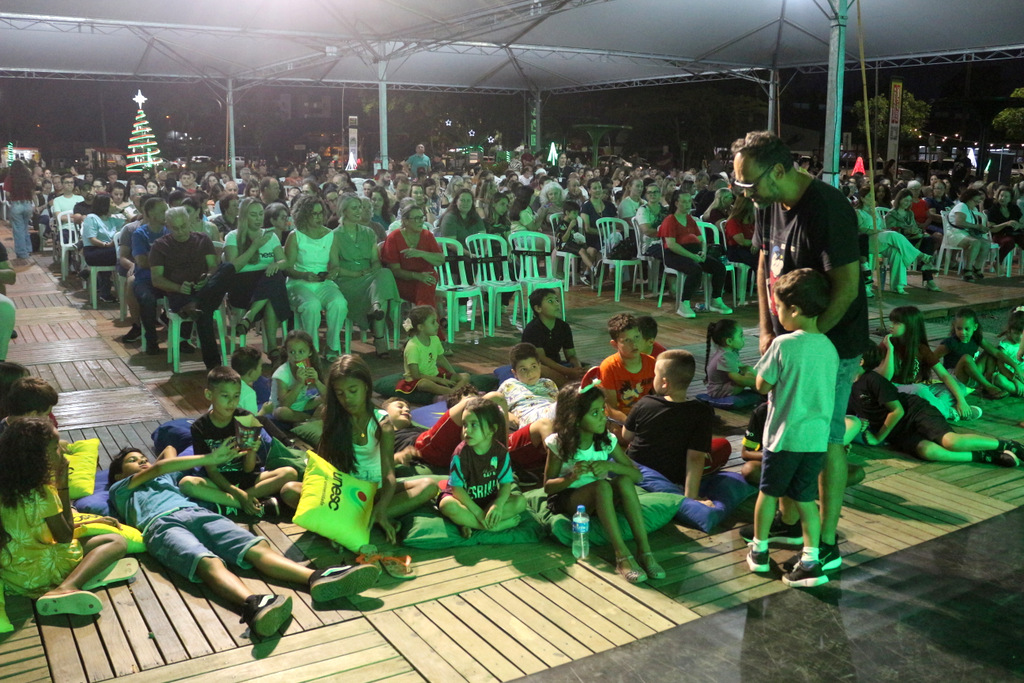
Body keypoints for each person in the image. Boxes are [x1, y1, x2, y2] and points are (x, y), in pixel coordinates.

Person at [733, 130, 867, 573]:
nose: (744, 192)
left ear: (778, 170)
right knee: (787, 430)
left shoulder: (827, 207)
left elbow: (847, 287)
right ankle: (791, 523)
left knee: (824, 438)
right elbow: (764, 265)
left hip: (830, 344)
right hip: (789, 341)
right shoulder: (768, 203)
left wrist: (808, 344)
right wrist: (766, 330)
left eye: (749, 182)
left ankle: (825, 541)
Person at [108, 443, 379, 637]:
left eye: (143, 457)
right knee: (206, 561)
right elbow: (161, 464)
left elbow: (168, 450)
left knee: (254, 546)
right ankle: (253, 604)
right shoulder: (120, 488)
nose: (142, 462)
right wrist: (207, 457)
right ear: (119, 474)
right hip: (160, 525)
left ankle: (315, 577)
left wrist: (149, 461)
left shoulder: (164, 477)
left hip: (196, 512)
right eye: (132, 460)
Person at [747, 268, 838, 588]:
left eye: (779, 308)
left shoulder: (783, 344)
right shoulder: (829, 347)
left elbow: (761, 385)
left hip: (784, 437)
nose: (777, 314)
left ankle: (759, 550)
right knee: (805, 498)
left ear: (795, 310)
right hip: (815, 440)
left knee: (769, 493)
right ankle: (811, 559)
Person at [287, 355, 438, 544]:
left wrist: (381, 508)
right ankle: (361, 520)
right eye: (340, 393)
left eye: (353, 390)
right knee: (289, 490)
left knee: (429, 486)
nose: (347, 398)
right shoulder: (332, 417)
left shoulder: (382, 423)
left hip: (375, 491)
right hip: (343, 492)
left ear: (366, 386)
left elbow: (388, 475)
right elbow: (326, 465)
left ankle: (353, 520)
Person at [0, 418, 134, 616]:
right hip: (39, 573)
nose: (62, 452)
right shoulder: (43, 492)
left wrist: (92, 521)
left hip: (12, 573)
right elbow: (64, 536)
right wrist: (63, 486)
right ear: (37, 457)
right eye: (56, 447)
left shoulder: (6, 486)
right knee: (116, 541)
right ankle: (67, 587)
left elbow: (34, 528)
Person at [544, 381, 665, 584]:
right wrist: (570, 477)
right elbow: (548, 487)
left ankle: (645, 551)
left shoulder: (606, 440)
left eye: (602, 410)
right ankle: (622, 555)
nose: (603, 416)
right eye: (595, 413)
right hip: (570, 499)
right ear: (575, 419)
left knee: (624, 481)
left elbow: (637, 476)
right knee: (602, 486)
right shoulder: (558, 443)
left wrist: (609, 465)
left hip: (601, 497)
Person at [622, 349, 751, 530]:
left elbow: (626, 436)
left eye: (655, 375)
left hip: (639, 468)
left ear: (664, 383)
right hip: (672, 476)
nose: (653, 379)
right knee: (721, 446)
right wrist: (691, 497)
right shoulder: (701, 412)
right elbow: (695, 458)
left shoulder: (645, 402)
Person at [847, 345, 1022, 469]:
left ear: (861, 362)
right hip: (898, 431)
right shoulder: (846, 385)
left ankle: (1010, 445)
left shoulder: (872, 380)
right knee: (927, 451)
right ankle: (985, 456)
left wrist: (878, 437)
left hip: (914, 412)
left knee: (951, 441)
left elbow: (897, 410)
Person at [182, 367, 299, 516]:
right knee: (187, 484)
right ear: (209, 394)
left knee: (289, 473)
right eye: (225, 396)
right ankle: (248, 504)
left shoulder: (246, 419)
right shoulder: (200, 427)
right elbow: (212, 471)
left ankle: (230, 503)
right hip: (219, 482)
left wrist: (252, 451)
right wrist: (238, 493)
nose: (232, 402)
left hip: (248, 478)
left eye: (236, 396)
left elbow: (249, 469)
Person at [150, 206, 236, 370]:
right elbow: (156, 280)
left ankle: (196, 303)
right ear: (168, 226)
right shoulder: (160, 246)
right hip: (180, 295)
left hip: (204, 288)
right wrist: (178, 287)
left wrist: (207, 278)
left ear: (189, 222)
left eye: (183, 226)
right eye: (176, 228)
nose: (181, 231)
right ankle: (213, 365)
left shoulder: (202, 239)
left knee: (228, 268)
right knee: (205, 313)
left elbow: (213, 266)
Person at [438, 398, 527, 538]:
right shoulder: (460, 454)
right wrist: (479, 514)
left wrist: (498, 504)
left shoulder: (500, 452)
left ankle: (467, 522)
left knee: (520, 502)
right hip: (463, 501)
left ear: (492, 429)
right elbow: (457, 489)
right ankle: (492, 527)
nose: (467, 430)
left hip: (487, 501)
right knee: (447, 506)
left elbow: (505, 484)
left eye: (474, 425)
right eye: (465, 425)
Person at [877, 305, 979, 422]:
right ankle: (950, 412)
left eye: (896, 323)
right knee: (920, 389)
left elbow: (944, 375)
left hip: (914, 390)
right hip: (893, 390)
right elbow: (884, 379)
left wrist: (962, 401)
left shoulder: (920, 348)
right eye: (892, 322)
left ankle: (933, 409)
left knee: (959, 388)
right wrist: (890, 349)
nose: (891, 325)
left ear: (910, 326)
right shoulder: (887, 344)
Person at [331, 193, 401, 358]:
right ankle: (379, 333)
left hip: (369, 277)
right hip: (347, 280)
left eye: (360, 208)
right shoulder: (334, 235)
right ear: (344, 211)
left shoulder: (369, 232)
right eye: (354, 208)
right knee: (380, 288)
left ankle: (376, 311)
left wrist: (371, 270)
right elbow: (334, 267)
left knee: (384, 273)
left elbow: (375, 260)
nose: (359, 211)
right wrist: (356, 273)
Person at [284, 194, 347, 361]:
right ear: (304, 215)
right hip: (299, 282)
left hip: (323, 282)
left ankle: (333, 346)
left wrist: (332, 272)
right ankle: (311, 349)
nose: (319, 217)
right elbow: (287, 268)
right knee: (311, 305)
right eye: (314, 214)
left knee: (339, 303)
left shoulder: (330, 234)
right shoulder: (295, 236)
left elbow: (334, 264)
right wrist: (304, 275)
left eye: (320, 213)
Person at [223, 197, 289, 348]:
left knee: (275, 278)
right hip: (242, 286)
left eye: (260, 214)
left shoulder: (270, 235)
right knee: (274, 288)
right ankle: (272, 347)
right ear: (244, 216)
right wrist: (254, 247)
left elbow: (284, 262)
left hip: (267, 281)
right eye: (253, 215)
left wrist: (276, 264)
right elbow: (233, 267)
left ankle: (250, 316)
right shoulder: (232, 236)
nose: (258, 218)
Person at [659, 188, 732, 318]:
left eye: (689, 201)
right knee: (695, 269)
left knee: (719, 267)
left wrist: (703, 252)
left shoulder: (690, 219)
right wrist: (692, 256)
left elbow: (701, 240)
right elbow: (672, 245)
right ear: (676, 203)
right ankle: (684, 303)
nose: (688, 204)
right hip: (675, 255)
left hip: (695, 253)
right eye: (684, 202)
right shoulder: (670, 220)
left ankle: (716, 300)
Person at [934, 308, 1016, 400]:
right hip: (955, 376)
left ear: (975, 327)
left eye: (967, 329)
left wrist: (1015, 366)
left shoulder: (976, 338)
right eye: (959, 329)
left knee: (989, 352)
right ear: (954, 327)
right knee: (966, 358)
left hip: (971, 373)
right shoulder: (950, 343)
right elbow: (931, 359)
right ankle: (988, 386)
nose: (963, 332)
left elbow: (996, 352)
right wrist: (941, 377)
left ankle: (988, 384)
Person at [381, 198, 445, 309]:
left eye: (422, 217)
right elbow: (395, 271)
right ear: (405, 221)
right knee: (426, 291)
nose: (421, 221)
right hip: (403, 281)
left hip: (425, 278)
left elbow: (440, 260)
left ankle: (421, 316)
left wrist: (421, 253)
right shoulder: (394, 237)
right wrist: (417, 276)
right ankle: (426, 317)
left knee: (429, 278)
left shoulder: (427, 235)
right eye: (416, 218)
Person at [595, 313, 655, 424]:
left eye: (637, 337)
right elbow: (611, 408)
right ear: (615, 344)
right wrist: (630, 424)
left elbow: (658, 397)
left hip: (644, 416)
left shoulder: (652, 363)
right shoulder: (609, 367)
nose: (634, 344)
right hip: (619, 420)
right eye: (627, 340)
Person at [396, 306, 469, 397]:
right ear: (421, 327)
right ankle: (453, 393)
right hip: (418, 380)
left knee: (465, 376)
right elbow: (416, 375)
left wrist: (453, 374)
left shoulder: (435, 339)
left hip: (435, 375)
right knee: (424, 384)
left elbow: (441, 358)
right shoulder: (413, 347)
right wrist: (440, 380)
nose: (437, 325)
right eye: (433, 322)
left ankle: (453, 392)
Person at [271, 330, 325, 426]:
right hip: (284, 407)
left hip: (301, 402)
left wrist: (316, 381)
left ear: (310, 352)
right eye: (292, 352)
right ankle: (311, 419)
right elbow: (285, 404)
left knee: (328, 400)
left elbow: (327, 396)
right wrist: (299, 383)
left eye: (301, 352)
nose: (296, 356)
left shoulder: (309, 367)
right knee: (281, 412)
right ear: (286, 352)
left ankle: (306, 421)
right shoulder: (282, 374)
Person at [499, 343, 559, 427]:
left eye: (533, 367)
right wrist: (508, 415)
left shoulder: (548, 383)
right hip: (529, 416)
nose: (530, 373)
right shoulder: (509, 385)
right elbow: (495, 406)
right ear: (515, 373)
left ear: (539, 366)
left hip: (552, 411)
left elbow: (558, 402)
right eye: (524, 369)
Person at [704, 318, 757, 398]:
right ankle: (764, 391)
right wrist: (756, 381)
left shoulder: (729, 351)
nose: (744, 338)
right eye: (741, 336)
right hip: (718, 390)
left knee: (748, 370)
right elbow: (739, 379)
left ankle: (763, 390)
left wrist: (751, 372)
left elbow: (740, 367)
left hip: (725, 385)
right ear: (729, 341)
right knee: (747, 378)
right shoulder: (725, 357)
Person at [947, 188, 992, 282]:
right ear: (968, 199)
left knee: (986, 244)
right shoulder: (961, 206)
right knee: (975, 242)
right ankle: (967, 269)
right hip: (954, 234)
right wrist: (977, 226)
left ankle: (977, 267)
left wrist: (980, 229)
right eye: (975, 201)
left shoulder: (970, 209)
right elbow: (959, 222)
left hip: (964, 233)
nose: (976, 203)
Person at [2, 159, 35, 259]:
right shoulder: (27, 177)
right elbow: (32, 192)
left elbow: (7, 193)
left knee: (18, 230)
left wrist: (11, 198)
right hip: (28, 204)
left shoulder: (10, 178)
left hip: (17, 204)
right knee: (25, 228)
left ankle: (22, 252)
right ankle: (28, 249)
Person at [986, 185, 1024, 263]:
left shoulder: (1014, 208)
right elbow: (992, 228)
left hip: (1014, 233)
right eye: (1001, 196)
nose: (1003, 198)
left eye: (1006, 196)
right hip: (999, 235)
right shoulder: (993, 210)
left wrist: (1019, 225)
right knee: (1009, 242)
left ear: (1010, 198)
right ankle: (997, 262)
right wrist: (1006, 224)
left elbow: (1022, 223)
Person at [724, 195, 758, 270]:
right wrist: (756, 243)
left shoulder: (752, 221)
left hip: (750, 248)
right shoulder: (733, 222)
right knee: (759, 260)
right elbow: (742, 242)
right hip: (737, 250)